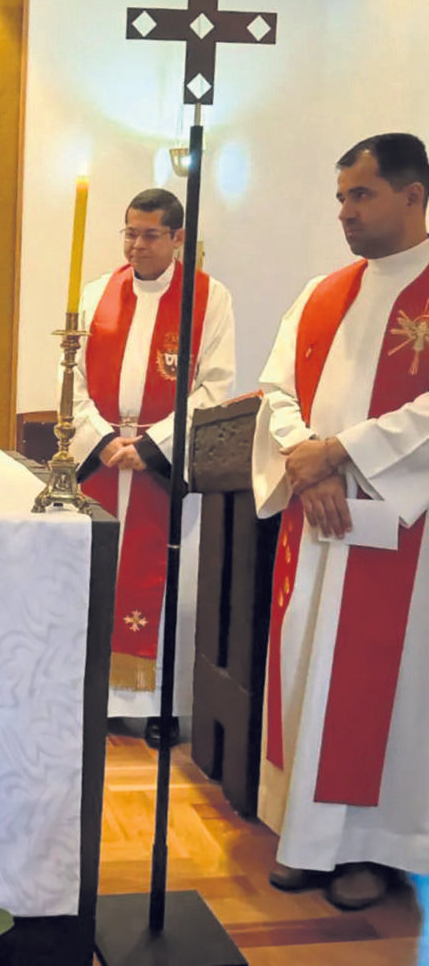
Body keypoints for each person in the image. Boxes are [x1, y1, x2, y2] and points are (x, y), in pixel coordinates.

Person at [252, 132, 429, 911]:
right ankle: (306, 838)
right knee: (307, 674)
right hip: (315, 526)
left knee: (380, 690)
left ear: (413, 195)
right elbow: (276, 390)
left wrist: (343, 453)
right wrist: (304, 459)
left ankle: (372, 849)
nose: (345, 212)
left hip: (402, 536)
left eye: (361, 195)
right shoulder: (322, 292)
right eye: (341, 197)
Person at [69, 188, 235, 747]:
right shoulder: (97, 294)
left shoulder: (208, 300)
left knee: (164, 584)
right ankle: (104, 702)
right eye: (129, 233)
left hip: (162, 469)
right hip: (102, 462)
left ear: (178, 238)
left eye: (150, 235)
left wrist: (153, 445)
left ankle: (161, 704)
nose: (136, 246)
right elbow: (72, 379)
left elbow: (213, 387)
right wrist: (102, 437)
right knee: (100, 580)